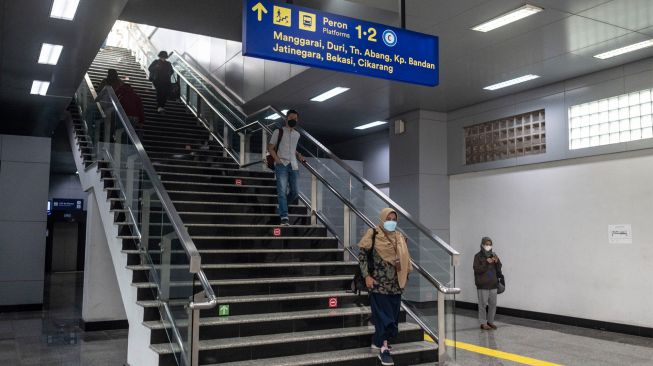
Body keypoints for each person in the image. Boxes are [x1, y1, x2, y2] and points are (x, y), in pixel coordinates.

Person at [358, 208, 413, 366]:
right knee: (384, 318)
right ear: (382, 218)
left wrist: (405, 276)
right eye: (388, 218)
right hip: (378, 284)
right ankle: (384, 348)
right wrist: (366, 276)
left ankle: (377, 341)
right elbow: (362, 256)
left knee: (393, 318)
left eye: (394, 219)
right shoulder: (373, 234)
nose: (391, 222)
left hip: (396, 285)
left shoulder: (399, 237)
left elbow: (405, 259)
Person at [267, 110, 305, 226]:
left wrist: (298, 154)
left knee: (295, 192)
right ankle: (284, 217)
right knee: (282, 192)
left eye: (295, 118)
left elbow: (292, 149)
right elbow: (270, 147)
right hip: (281, 164)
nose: (293, 120)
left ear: (297, 120)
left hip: (293, 165)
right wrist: (278, 160)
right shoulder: (278, 131)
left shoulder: (297, 134)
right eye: (291, 117)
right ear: (286, 118)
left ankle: (281, 207)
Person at [473, 236, 502, 330]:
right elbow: (477, 270)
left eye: (490, 244)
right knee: (482, 305)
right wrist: (486, 262)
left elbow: (499, 268)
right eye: (486, 244)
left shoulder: (493, 254)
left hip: (493, 284)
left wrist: (497, 262)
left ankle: (490, 322)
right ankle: (483, 323)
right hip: (483, 285)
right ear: (482, 244)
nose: (488, 246)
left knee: (493, 304)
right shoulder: (478, 256)